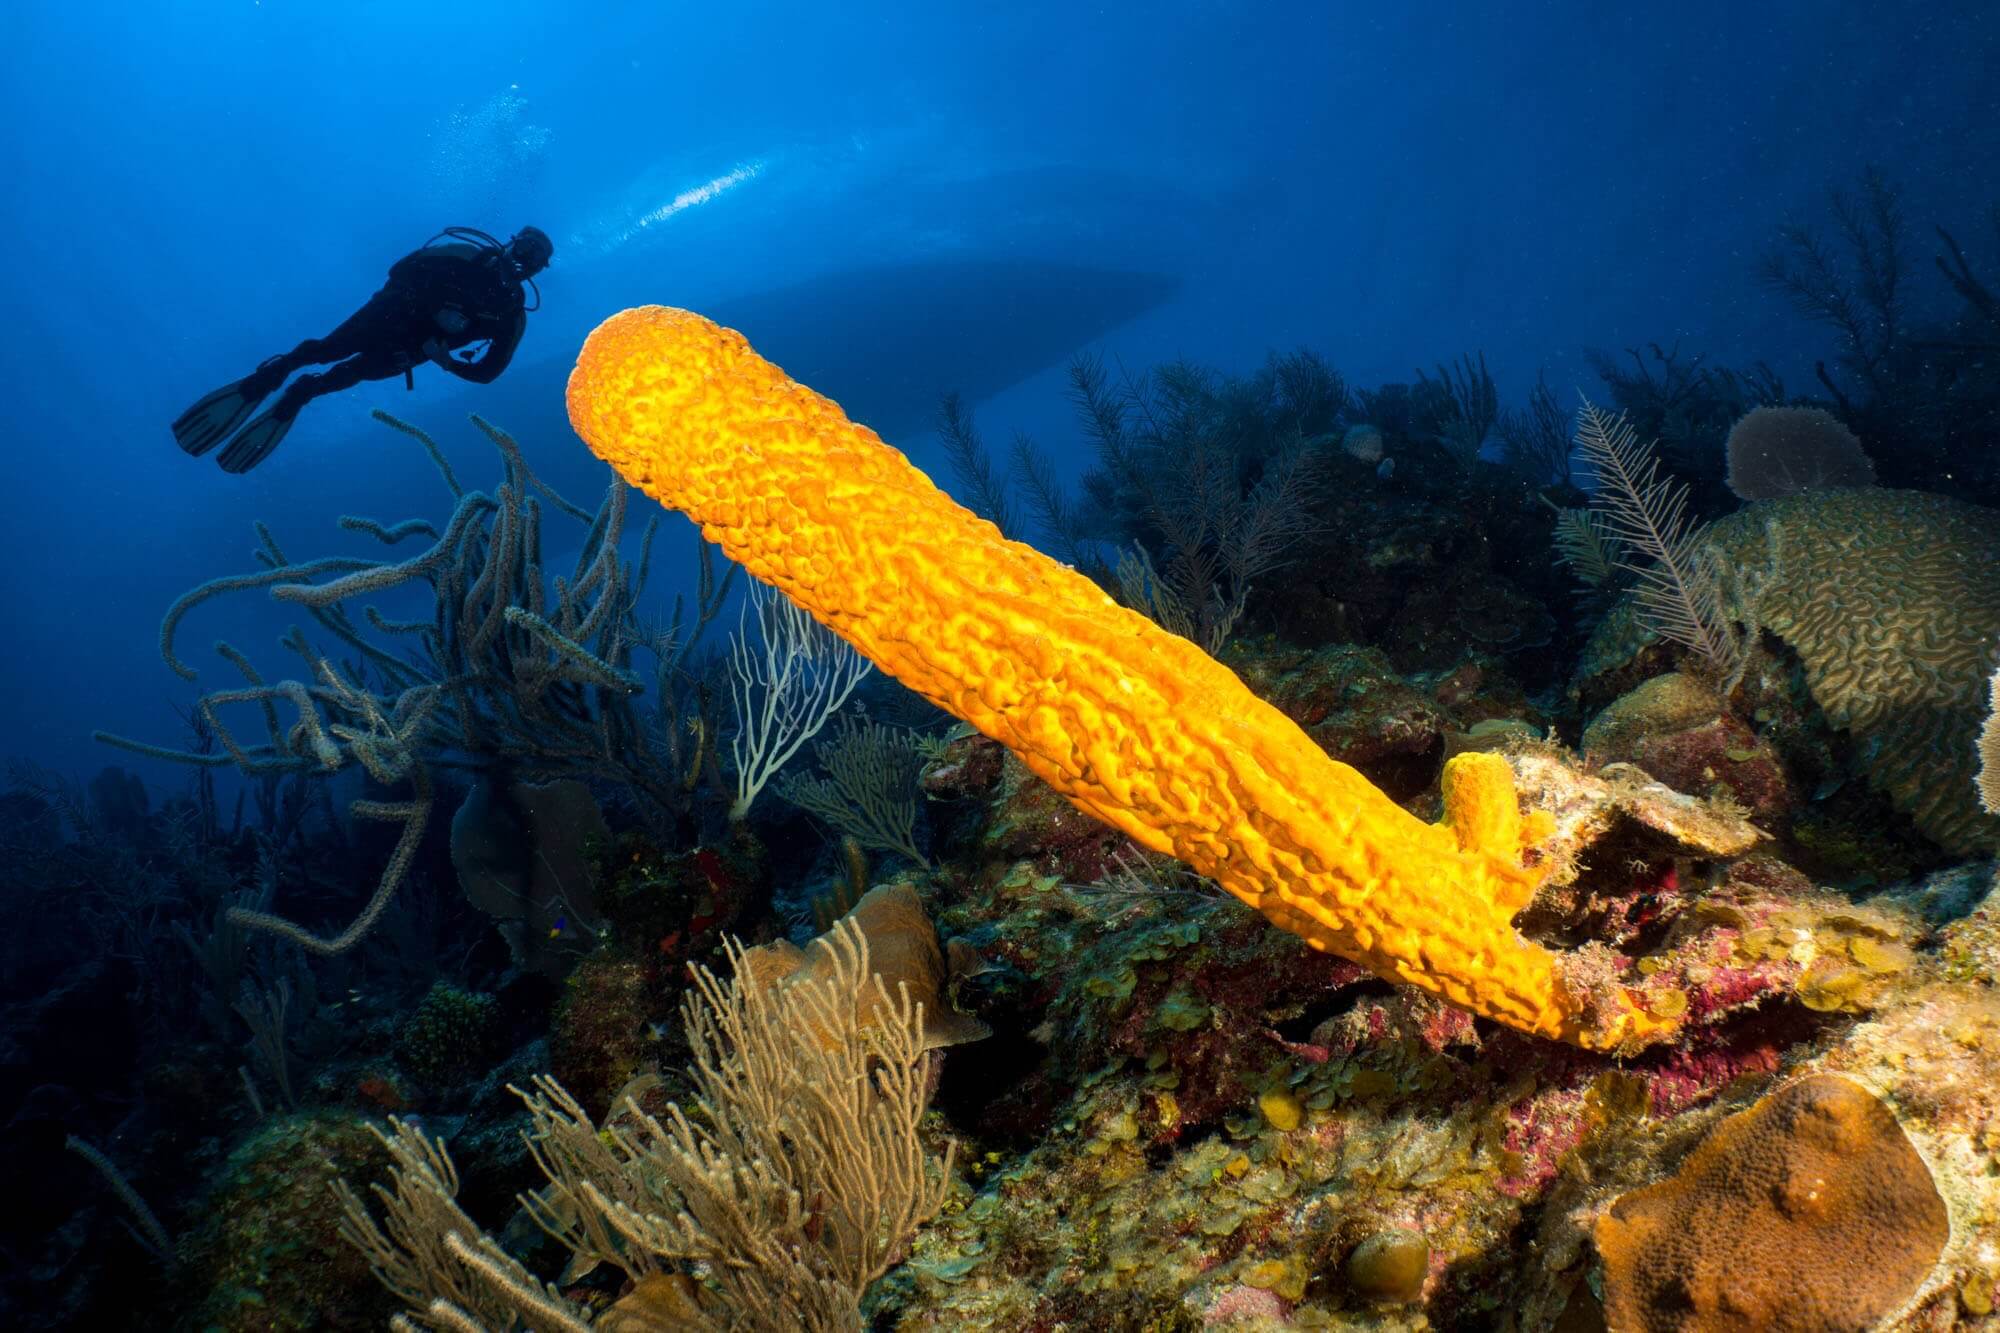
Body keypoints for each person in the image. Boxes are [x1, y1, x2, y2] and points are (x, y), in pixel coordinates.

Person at [172, 225, 553, 473]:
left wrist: (447, 362)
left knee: (349, 373)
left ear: (538, 270)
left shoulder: (510, 314)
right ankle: (276, 373)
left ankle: (303, 392)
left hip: (413, 347)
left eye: (534, 258)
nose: (524, 258)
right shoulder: (462, 254)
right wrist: (419, 305)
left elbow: (489, 372)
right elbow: (400, 269)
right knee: (327, 349)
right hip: (388, 315)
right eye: (525, 247)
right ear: (511, 240)